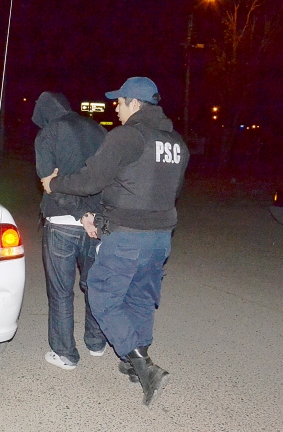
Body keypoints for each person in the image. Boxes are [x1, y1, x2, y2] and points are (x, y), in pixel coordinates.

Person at [41, 77, 189, 405]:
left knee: (102, 295)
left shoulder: (127, 137)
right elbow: (172, 191)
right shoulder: (176, 142)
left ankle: (144, 366)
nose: (116, 108)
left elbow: (92, 178)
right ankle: (135, 365)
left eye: (119, 103)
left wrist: (56, 184)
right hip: (161, 237)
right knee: (140, 297)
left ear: (134, 103)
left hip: (127, 237)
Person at [32, 91, 108, 370]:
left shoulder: (49, 133)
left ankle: (65, 353)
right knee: (94, 285)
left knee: (62, 291)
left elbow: (49, 181)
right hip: (97, 224)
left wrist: (79, 213)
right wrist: (93, 215)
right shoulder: (99, 130)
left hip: (63, 222)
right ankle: (96, 342)